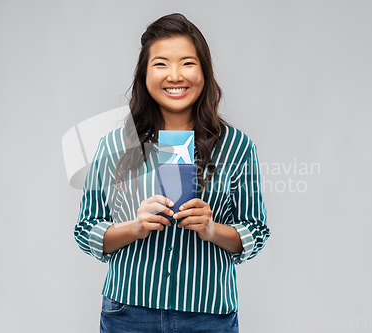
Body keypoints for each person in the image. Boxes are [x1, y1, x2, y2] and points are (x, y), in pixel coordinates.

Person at [74, 13, 270, 333]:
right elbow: (86, 228)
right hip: (129, 312)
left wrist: (211, 230)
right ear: (145, 74)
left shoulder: (237, 147)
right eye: (161, 63)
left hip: (208, 314)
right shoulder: (114, 145)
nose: (175, 75)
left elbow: (256, 231)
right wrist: (135, 227)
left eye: (187, 63)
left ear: (204, 72)